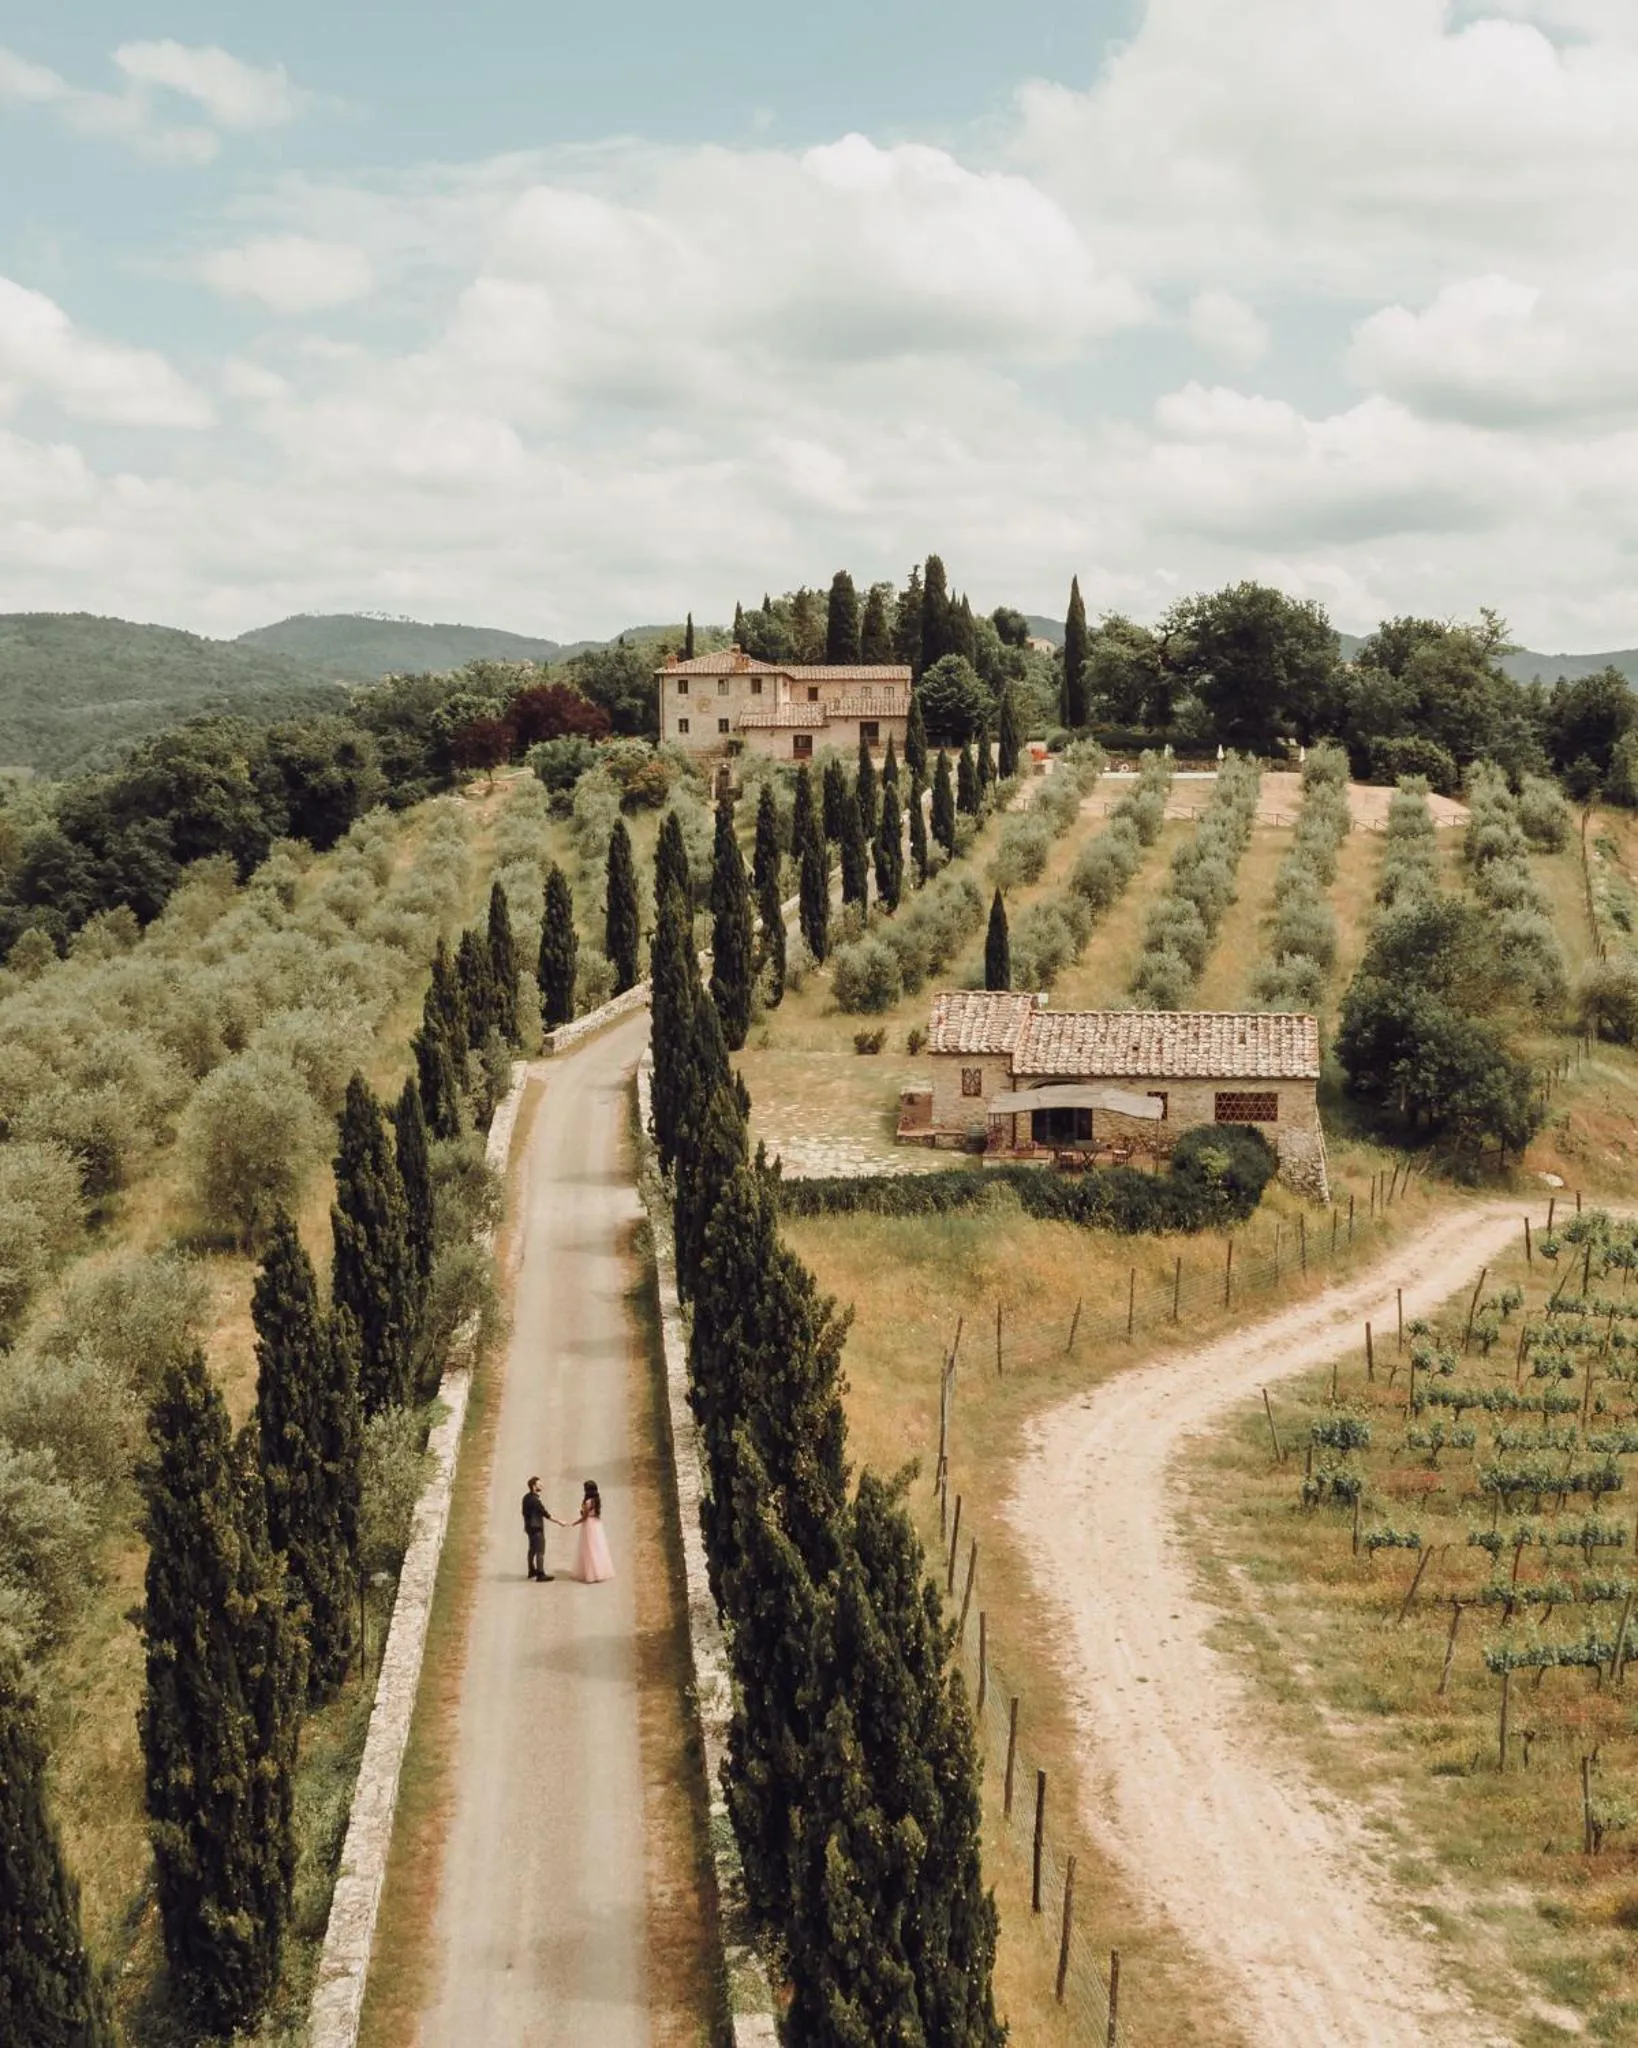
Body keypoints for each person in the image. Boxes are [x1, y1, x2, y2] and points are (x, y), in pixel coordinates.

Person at [571, 1480, 615, 1584]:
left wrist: (574, 1523)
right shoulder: (596, 1500)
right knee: (597, 1547)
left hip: (588, 1525)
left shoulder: (588, 1502)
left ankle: (591, 1573)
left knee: (589, 1548)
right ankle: (599, 1571)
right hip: (596, 1524)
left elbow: (585, 1516)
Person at [522, 1476, 558, 1582]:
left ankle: (531, 1570)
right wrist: (559, 1522)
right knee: (540, 1551)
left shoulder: (526, 1498)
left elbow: (524, 1513)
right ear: (534, 1486)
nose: (541, 1485)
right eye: (539, 1484)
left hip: (529, 1527)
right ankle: (540, 1573)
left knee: (532, 1549)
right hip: (536, 1527)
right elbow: (545, 1513)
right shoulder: (535, 1501)